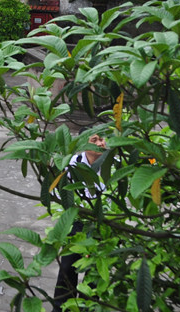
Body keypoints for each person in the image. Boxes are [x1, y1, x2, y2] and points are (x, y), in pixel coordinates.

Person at [52, 133, 107, 311]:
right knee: (67, 269)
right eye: (95, 140)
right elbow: (57, 192)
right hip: (76, 221)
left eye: (102, 139)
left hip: (103, 223)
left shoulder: (112, 164)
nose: (100, 143)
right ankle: (61, 308)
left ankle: (89, 307)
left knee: (95, 273)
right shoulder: (71, 163)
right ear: (84, 144)